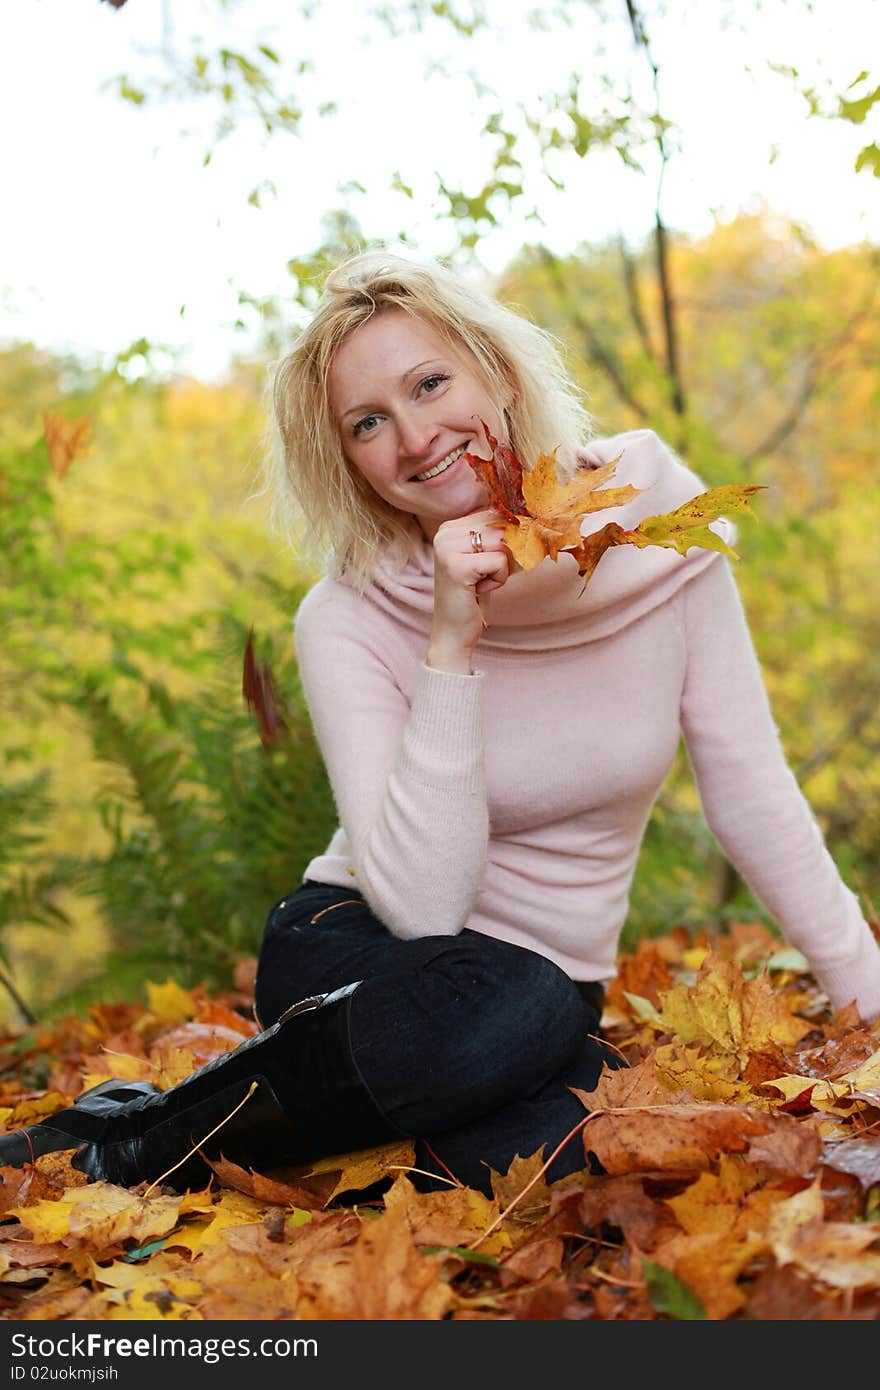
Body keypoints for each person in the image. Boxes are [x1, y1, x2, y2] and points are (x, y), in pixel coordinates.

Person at [3, 252, 880, 1198]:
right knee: (518, 1007)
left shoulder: (660, 539)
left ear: (496, 375)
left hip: (534, 1009)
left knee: (593, 1134)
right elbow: (424, 909)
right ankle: (130, 1147)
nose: (417, 437)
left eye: (430, 384)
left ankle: (217, 1137)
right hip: (357, 959)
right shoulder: (345, 615)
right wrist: (451, 641)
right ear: (348, 462)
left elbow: (751, 791)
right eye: (368, 423)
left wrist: (867, 1003)